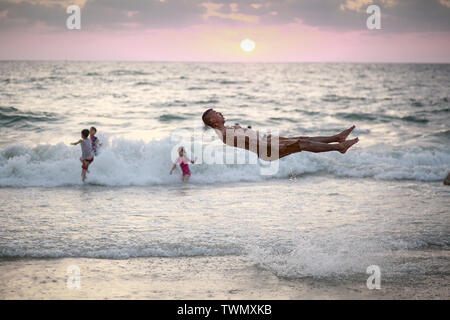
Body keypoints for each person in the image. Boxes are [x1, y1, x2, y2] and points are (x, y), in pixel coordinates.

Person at [201, 108, 359, 161]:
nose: (220, 113)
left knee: (302, 139)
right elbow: (255, 144)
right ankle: (339, 147)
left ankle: (337, 138)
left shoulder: (227, 129)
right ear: (214, 122)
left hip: (267, 141)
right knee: (303, 144)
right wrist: (278, 145)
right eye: (216, 113)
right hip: (268, 149)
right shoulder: (226, 135)